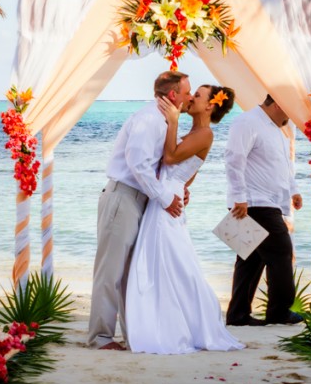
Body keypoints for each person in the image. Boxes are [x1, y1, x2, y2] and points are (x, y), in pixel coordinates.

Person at [125, 84, 244, 354]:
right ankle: (161, 319)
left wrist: (172, 122)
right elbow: (188, 171)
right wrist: (181, 187)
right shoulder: (196, 133)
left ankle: (185, 323)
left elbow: (169, 157)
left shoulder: (204, 134)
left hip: (168, 203)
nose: (191, 98)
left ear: (210, 105)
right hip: (168, 196)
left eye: (197, 96)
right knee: (164, 261)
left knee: (173, 263)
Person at [87, 71, 191, 350]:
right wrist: (165, 197)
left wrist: (175, 190)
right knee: (110, 271)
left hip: (139, 199)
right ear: (173, 95)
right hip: (123, 197)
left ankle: (132, 335)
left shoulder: (163, 121)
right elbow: (139, 164)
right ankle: (100, 337)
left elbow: (160, 164)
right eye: (187, 92)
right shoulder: (148, 119)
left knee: (131, 273)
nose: (190, 97)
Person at [224, 94, 303, 327]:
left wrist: (293, 190)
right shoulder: (248, 122)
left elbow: (282, 166)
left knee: (250, 259)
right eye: (289, 109)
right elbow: (233, 159)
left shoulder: (276, 129)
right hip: (253, 203)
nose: (290, 116)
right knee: (281, 251)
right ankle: (279, 312)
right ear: (279, 102)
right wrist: (239, 197)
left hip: (269, 202)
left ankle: (238, 315)